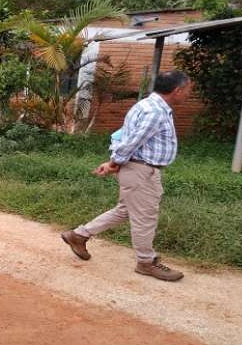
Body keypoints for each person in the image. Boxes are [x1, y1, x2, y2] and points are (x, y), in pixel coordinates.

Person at [60, 70, 192, 282]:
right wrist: (114, 163)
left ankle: (79, 235)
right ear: (177, 90)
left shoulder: (146, 105)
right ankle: (146, 262)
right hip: (141, 171)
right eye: (188, 90)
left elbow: (123, 135)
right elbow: (131, 142)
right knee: (145, 218)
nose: (189, 94)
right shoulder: (155, 112)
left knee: (125, 211)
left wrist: (115, 162)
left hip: (137, 169)